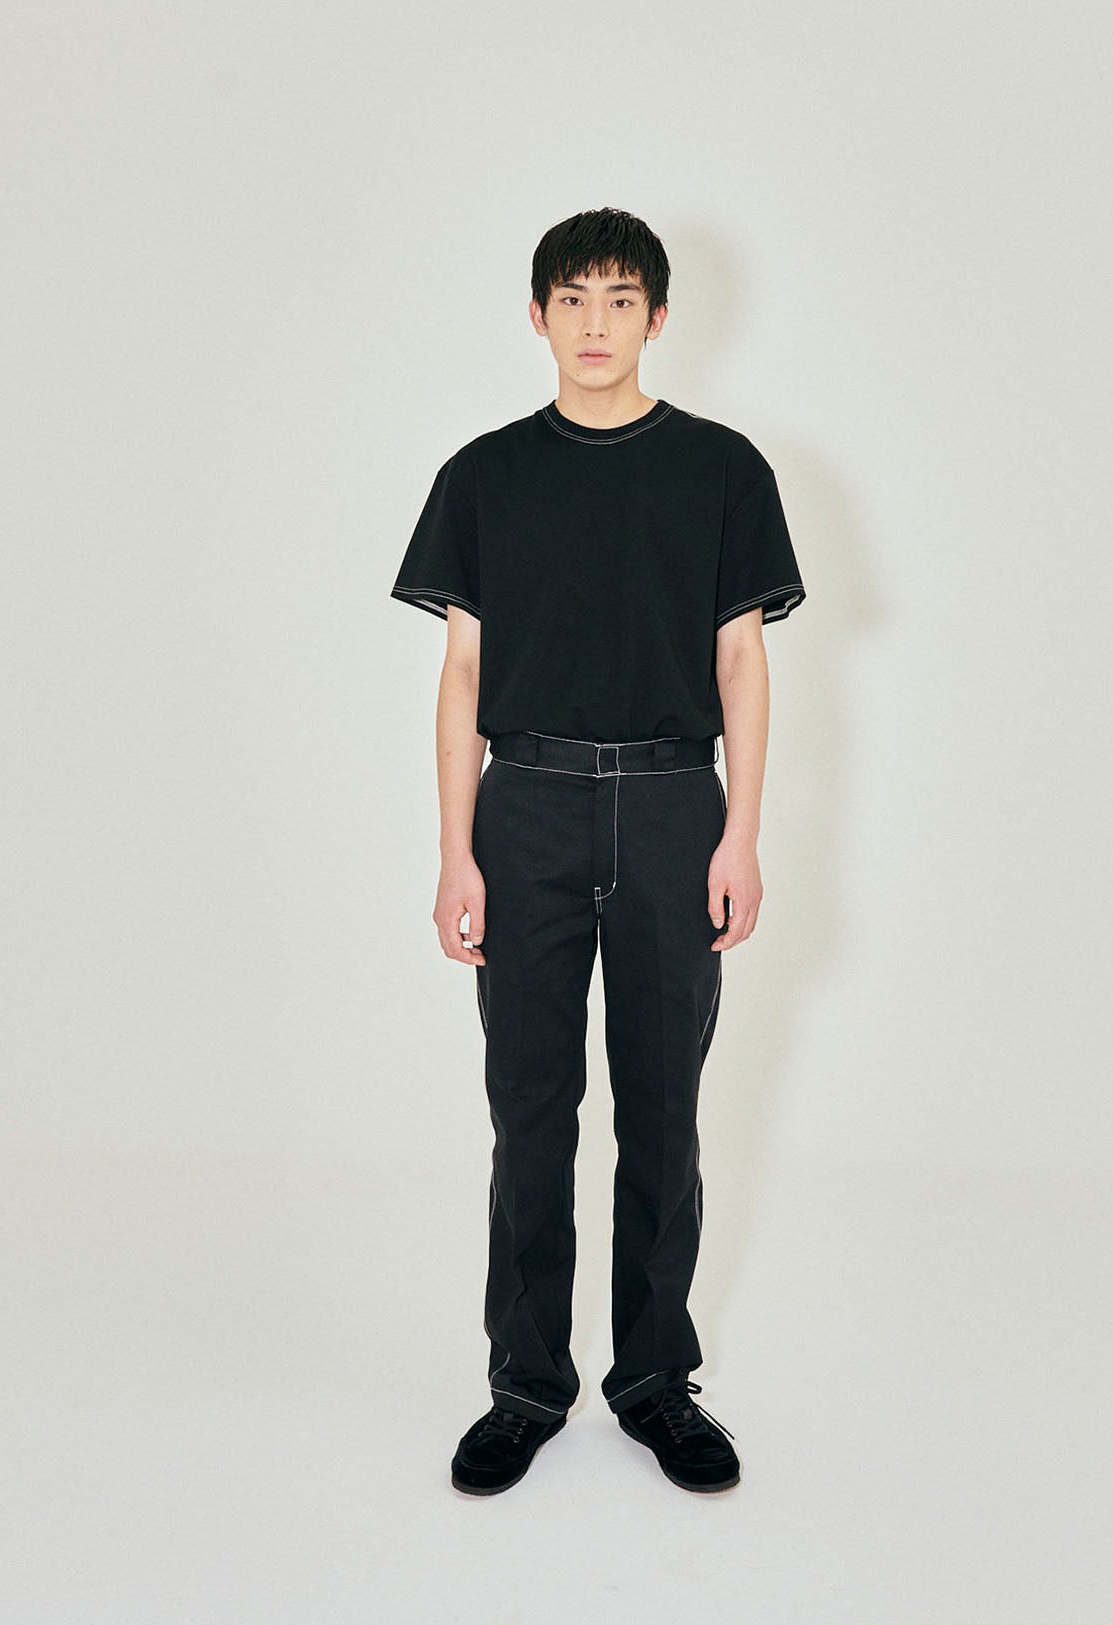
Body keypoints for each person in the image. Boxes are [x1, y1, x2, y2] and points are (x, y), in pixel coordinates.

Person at [389, 207, 806, 1496]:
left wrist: (741, 832)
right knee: (531, 1110)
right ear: (537, 315)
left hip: (676, 805)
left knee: (664, 1112)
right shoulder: (485, 476)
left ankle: (653, 1381)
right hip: (525, 807)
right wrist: (457, 853)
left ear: (658, 319)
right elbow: (462, 677)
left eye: (621, 300)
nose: (594, 324)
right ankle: (525, 1383)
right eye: (571, 299)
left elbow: (743, 660)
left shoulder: (722, 469)